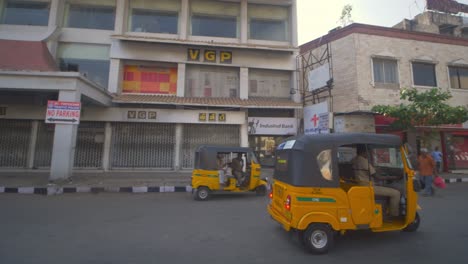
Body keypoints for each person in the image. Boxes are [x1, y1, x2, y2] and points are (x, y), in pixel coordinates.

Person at [352, 145, 401, 217]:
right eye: (368, 152)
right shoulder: (363, 161)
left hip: (360, 184)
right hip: (368, 187)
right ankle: (393, 215)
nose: (368, 154)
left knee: (385, 188)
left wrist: (377, 169)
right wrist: (393, 177)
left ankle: (385, 210)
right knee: (396, 193)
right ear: (364, 152)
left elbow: (368, 171)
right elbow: (378, 177)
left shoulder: (354, 160)